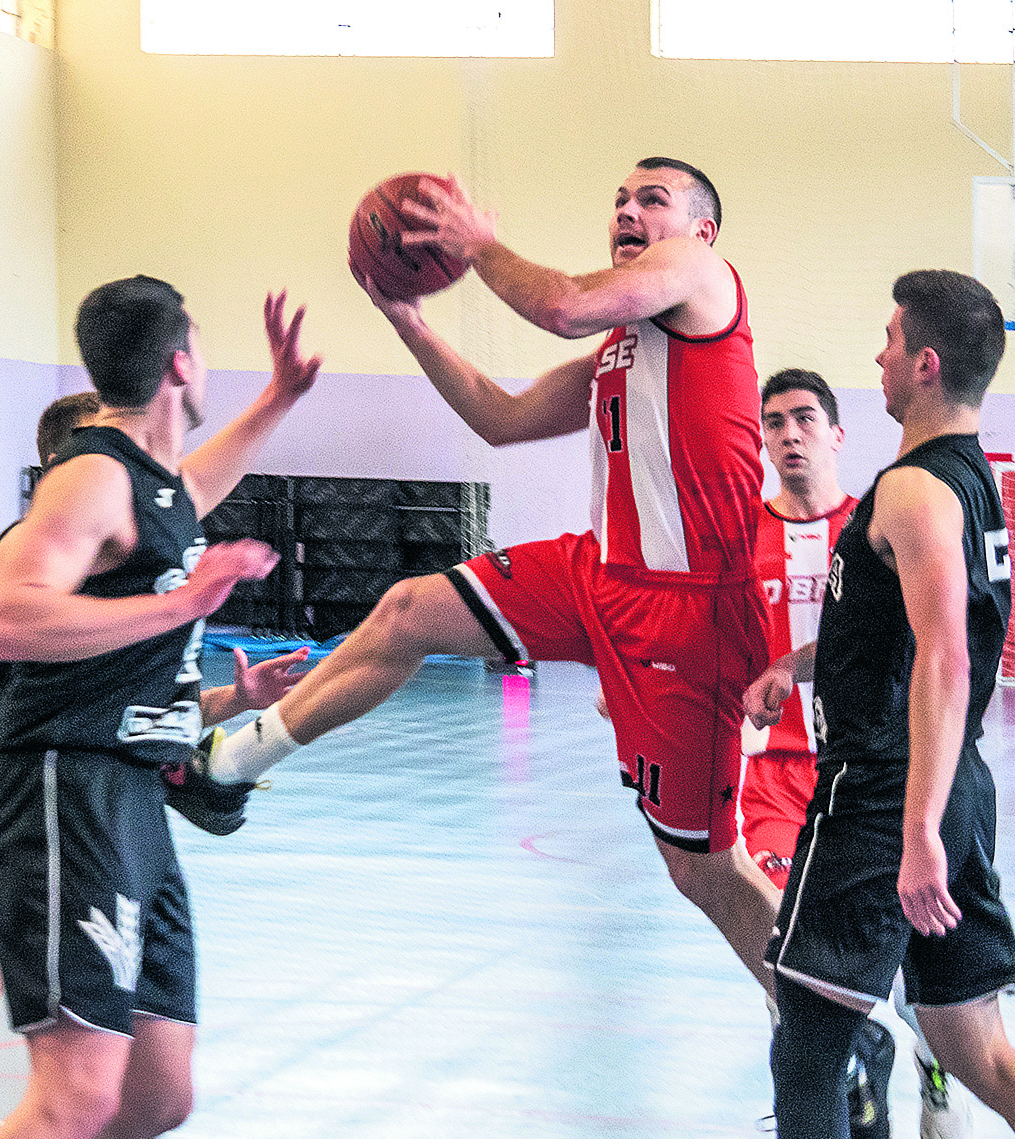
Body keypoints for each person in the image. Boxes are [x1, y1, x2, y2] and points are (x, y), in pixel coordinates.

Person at [199, 158, 783, 1000]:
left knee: (701, 870)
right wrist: (407, 321)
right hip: (598, 573)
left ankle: (825, 1023)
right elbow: (500, 419)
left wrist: (477, 245)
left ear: (702, 229)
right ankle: (229, 769)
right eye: (617, 198)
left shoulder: (702, 274)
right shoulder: (624, 347)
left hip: (689, 611)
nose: (626, 210)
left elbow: (562, 305)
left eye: (651, 200)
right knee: (406, 613)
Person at [0, 392, 308, 1139]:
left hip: (73, 797)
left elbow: (129, 709)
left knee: (150, 1097)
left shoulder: (133, 563)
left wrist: (231, 699)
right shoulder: (41, 565)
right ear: (73, 468)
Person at [745, 270, 1015, 1139]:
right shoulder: (969, 482)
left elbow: (944, 659)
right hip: (948, 788)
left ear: (927, 364)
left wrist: (917, 833)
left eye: (892, 340)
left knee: (807, 1049)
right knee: (978, 1054)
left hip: (883, 798)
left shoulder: (912, 490)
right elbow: (902, 636)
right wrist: (797, 664)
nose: (880, 353)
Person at [0, 276, 322, 1139]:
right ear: (180, 361)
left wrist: (279, 397)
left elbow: (194, 486)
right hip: (68, 785)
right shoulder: (90, 473)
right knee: (75, 1098)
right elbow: (9, 618)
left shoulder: (155, 484)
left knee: (158, 1097)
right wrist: (184, 604)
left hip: (138, 803)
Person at [747, 367, 972, 1139]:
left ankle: (928, 1059)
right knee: (785, 963)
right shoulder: (745, 537)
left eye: (805, 419)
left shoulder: (879, 522)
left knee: (903, 966)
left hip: (870, 775)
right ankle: (845, 1073)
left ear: (837, 435)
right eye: (773, 423)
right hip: (775, 780)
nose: (789, 435)